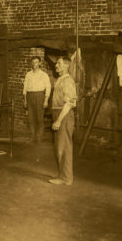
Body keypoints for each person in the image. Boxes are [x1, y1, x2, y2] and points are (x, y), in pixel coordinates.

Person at [49, 56, 77, 185]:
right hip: (58, 113)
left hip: (64, 115)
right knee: (59, 147)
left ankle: (66, 178)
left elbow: (70, 103)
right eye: (56, 63)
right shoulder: (60, 79)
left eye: (59, 63)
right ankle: (62, 174)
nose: (56, 66)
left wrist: (59, 120)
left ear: (67, 66)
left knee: (64, 147)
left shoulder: (68, 81)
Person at [22, 56, 51, 143]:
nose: (35, 64)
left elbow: (48, 87)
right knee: (31, 118)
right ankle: (32, 136)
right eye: (33, 62)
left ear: (39, 63)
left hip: (40, 96)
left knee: (39, 118)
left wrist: (46, 100)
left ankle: (39, 137)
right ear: (31, 64)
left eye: (36, 62)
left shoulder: (44, 75)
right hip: (30, 96)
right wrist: (25, 100)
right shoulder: (28, 74)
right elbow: (25, 88)